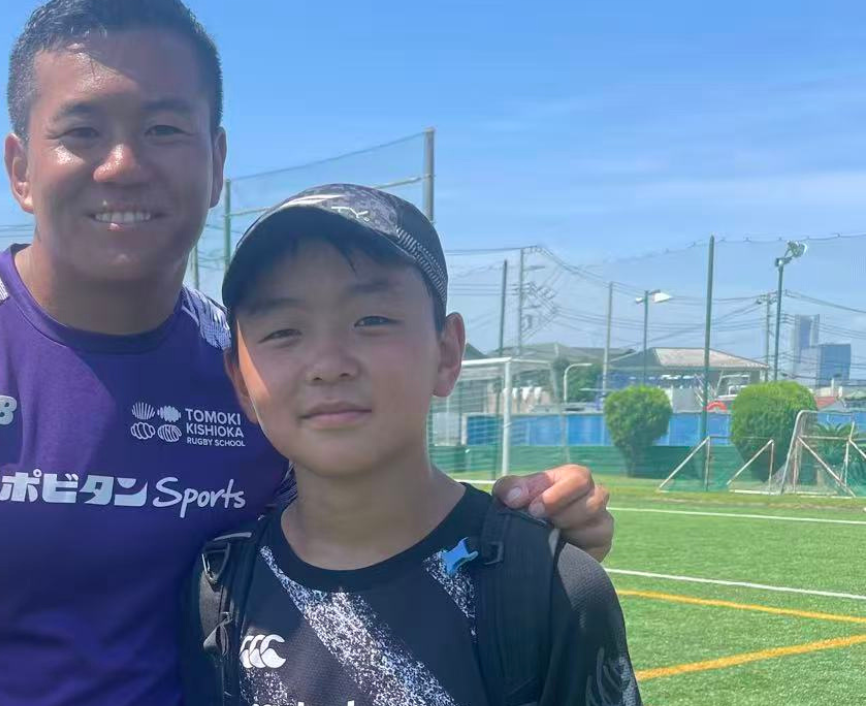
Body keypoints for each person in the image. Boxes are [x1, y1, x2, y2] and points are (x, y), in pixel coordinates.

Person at [0, 0, 615, 706]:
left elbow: (365, 520)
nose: (124, 164)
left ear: (216, 162)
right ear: (21, 168)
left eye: (164, 129)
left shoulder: (252, 364)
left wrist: (528, 527)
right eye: (82, 132)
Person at [182, 184, 639, 706]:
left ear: (447, 353)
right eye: (284, 331)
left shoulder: (552, 587)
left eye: (372, 320)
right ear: (241, 381)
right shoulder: (219, 586)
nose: (328, 364)